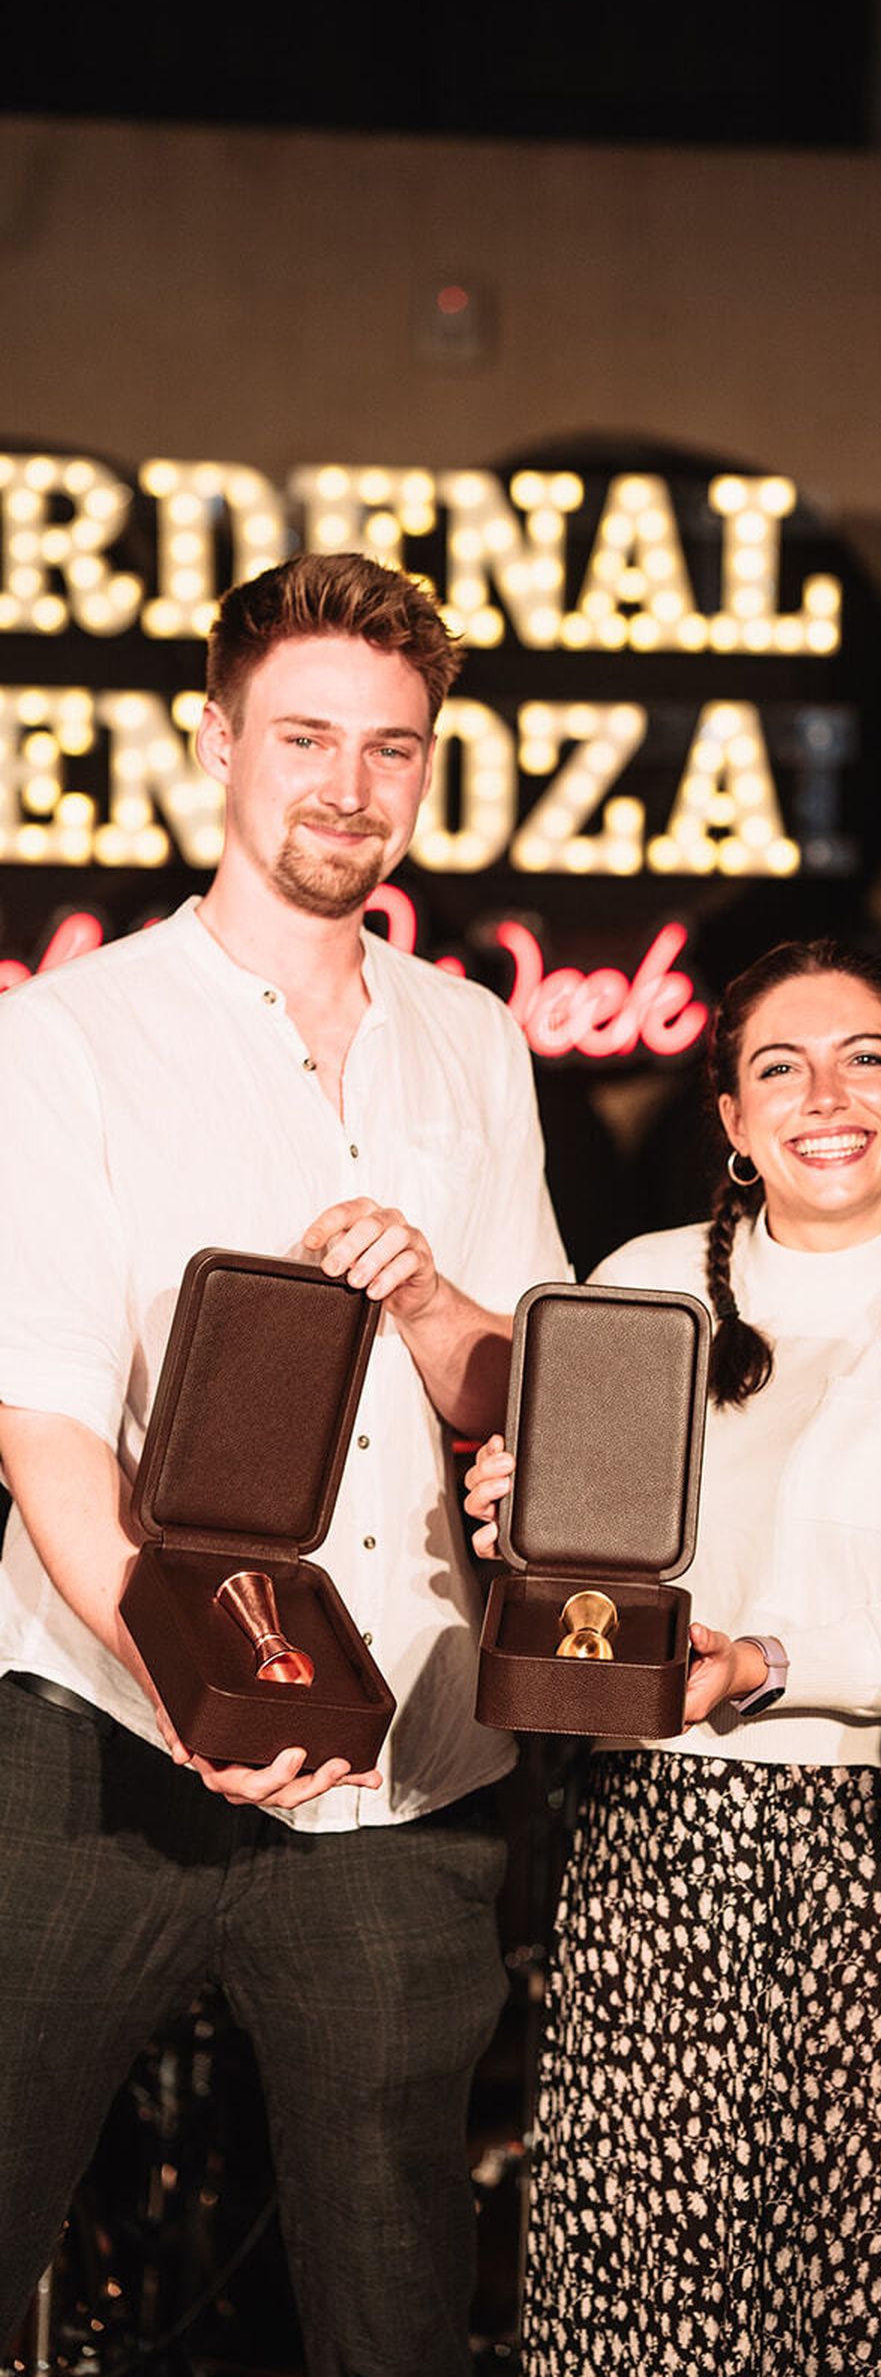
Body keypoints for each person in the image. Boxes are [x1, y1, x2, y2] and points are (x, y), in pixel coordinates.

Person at [0, 553, 569, 2376]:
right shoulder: (66, 1038)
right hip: (104, 1738)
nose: (348, 785)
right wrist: (196, 1682)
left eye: (391, 748)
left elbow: (516, 1391)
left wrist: (441, 1316)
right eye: (306, 736)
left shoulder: (477, 1039)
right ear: (213, 745)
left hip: (408, 1762)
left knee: (394, 2314)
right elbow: (49, 1426)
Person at [466, 939, 881, 2377]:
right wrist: (517, 1524)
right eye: (778, 1068)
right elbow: (597, 1590)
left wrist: (763, 1661)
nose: (825, 1095)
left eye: (865, 1059)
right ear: (730, 1121)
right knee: (648, 2298)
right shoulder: (642, 1286)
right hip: (656, 1845)